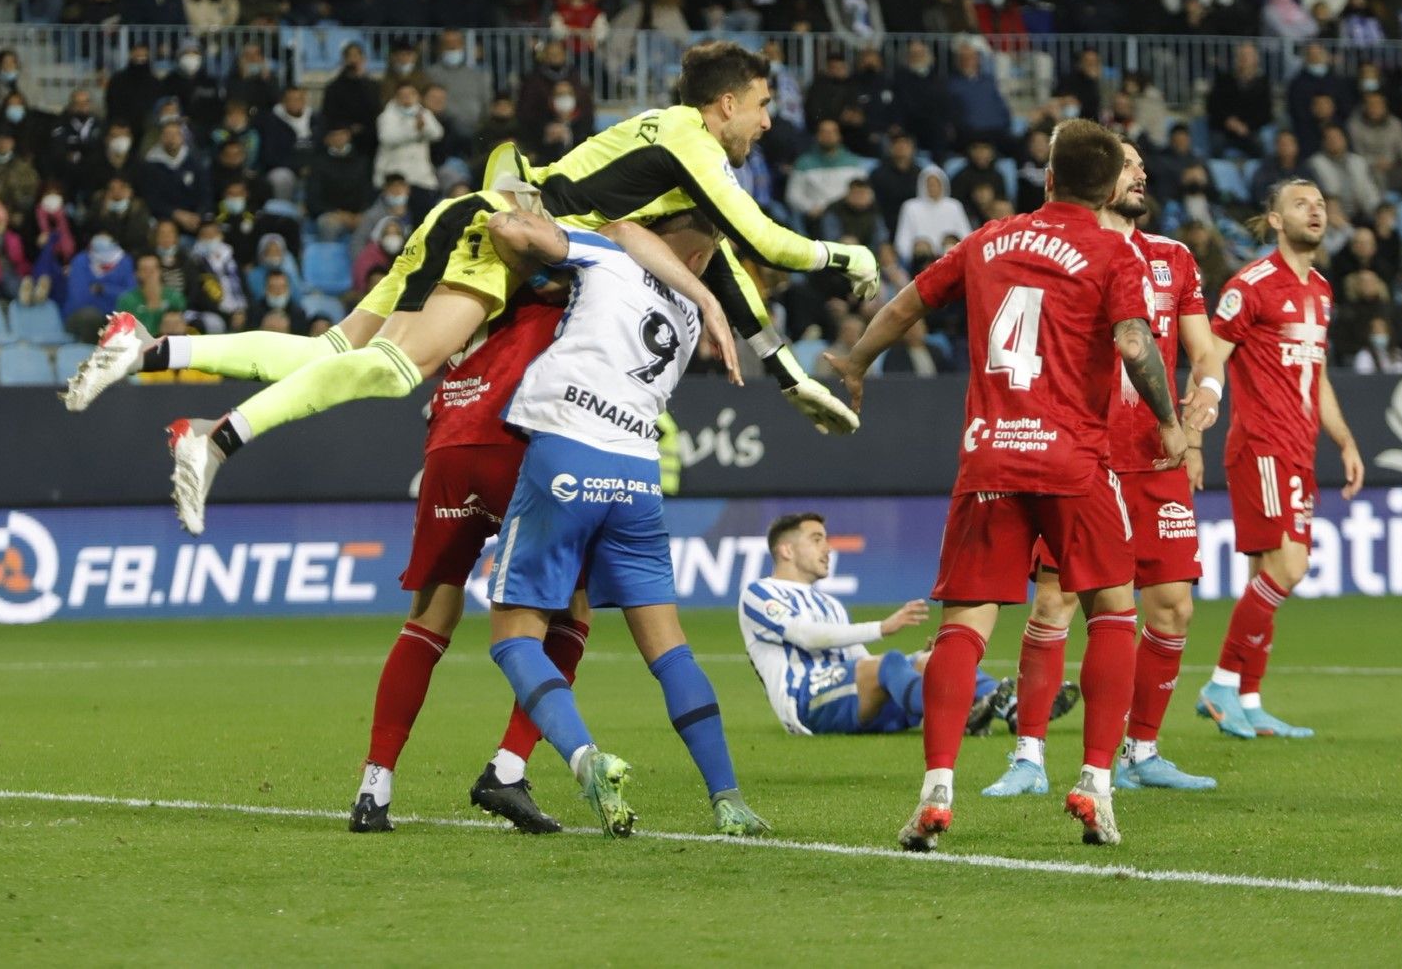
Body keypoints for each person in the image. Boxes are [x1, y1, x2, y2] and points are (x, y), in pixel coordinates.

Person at [65, 43, 873, 534]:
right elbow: (765, 241)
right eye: (764, 106)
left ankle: (148, 346)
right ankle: (215, 438)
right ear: (727, 102)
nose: (769, 121)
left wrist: (788, 373)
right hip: (500, 233)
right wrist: (849, 259)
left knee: (333, 351)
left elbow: (725, 265)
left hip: (480, 218)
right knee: (389, 369)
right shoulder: (694, 137)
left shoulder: (674, 158)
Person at [828, 120, 1187, 850]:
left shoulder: (988, 238)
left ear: (1048, 178)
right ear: (1108, 185)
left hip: (990, 457)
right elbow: (1132, 341)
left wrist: (856, 364)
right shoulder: (1112, 249)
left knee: (965, 624)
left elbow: (905, 305)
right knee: (1114, 609)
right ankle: (1095, 782)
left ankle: (936, 789)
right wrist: (1169, 419)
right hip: (1073, 462)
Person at [457, 208, 770, 838]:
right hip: (636, 475)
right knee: (670, 649)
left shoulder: (610, 252)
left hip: (567, 455)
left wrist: (532, 256)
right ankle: (729, 799)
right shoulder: (689, 316)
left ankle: (585, 759)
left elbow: (511, 232)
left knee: (514, 636)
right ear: (703, 259)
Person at [983, 141, 1225, 798]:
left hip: (1156, 456)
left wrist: (1207, 392)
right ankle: (1028, 754)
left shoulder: (1174, 259)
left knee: (1173, 607)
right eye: (1126, 164)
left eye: (1142, 165)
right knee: (1057, 599)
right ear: (1091, 177)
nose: (1140, 173)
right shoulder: (1056, 254)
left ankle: (1140, 749)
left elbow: (1204, 351)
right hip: (1079, 455)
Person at [346, 290, 585, 835]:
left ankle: (373, 786)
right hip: (515, 445)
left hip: (447, 448)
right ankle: (508, 767)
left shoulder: (456, 286)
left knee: (428, 617)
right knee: (572, 608)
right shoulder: (550, 273)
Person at [1194, 179, 1365, 741]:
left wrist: (1343, 440)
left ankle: (1247, 697)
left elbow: (1315, 376)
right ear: (1273, 219)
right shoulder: (1252, 286)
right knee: (1289, 568)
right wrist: (1200, 416)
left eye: (1320, 203)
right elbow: (1212, 355)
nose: (1315, 210)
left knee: (1260, 579)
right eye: (1300, 203)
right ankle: (1220, 684)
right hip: (1262, 445)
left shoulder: (1320, 289)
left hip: (1299, 447)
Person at [741, 512, 1011, 736]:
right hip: (805, 704)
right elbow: (805, 635)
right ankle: (960, 717)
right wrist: (881, 628)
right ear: (786, 550)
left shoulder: (830, 605)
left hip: (850, 699)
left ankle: (1014, 708)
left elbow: (862, 662)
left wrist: (916, 662)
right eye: (816, 539)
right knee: (891, 662)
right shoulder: (760, 594)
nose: (827, 548)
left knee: (935, 659)